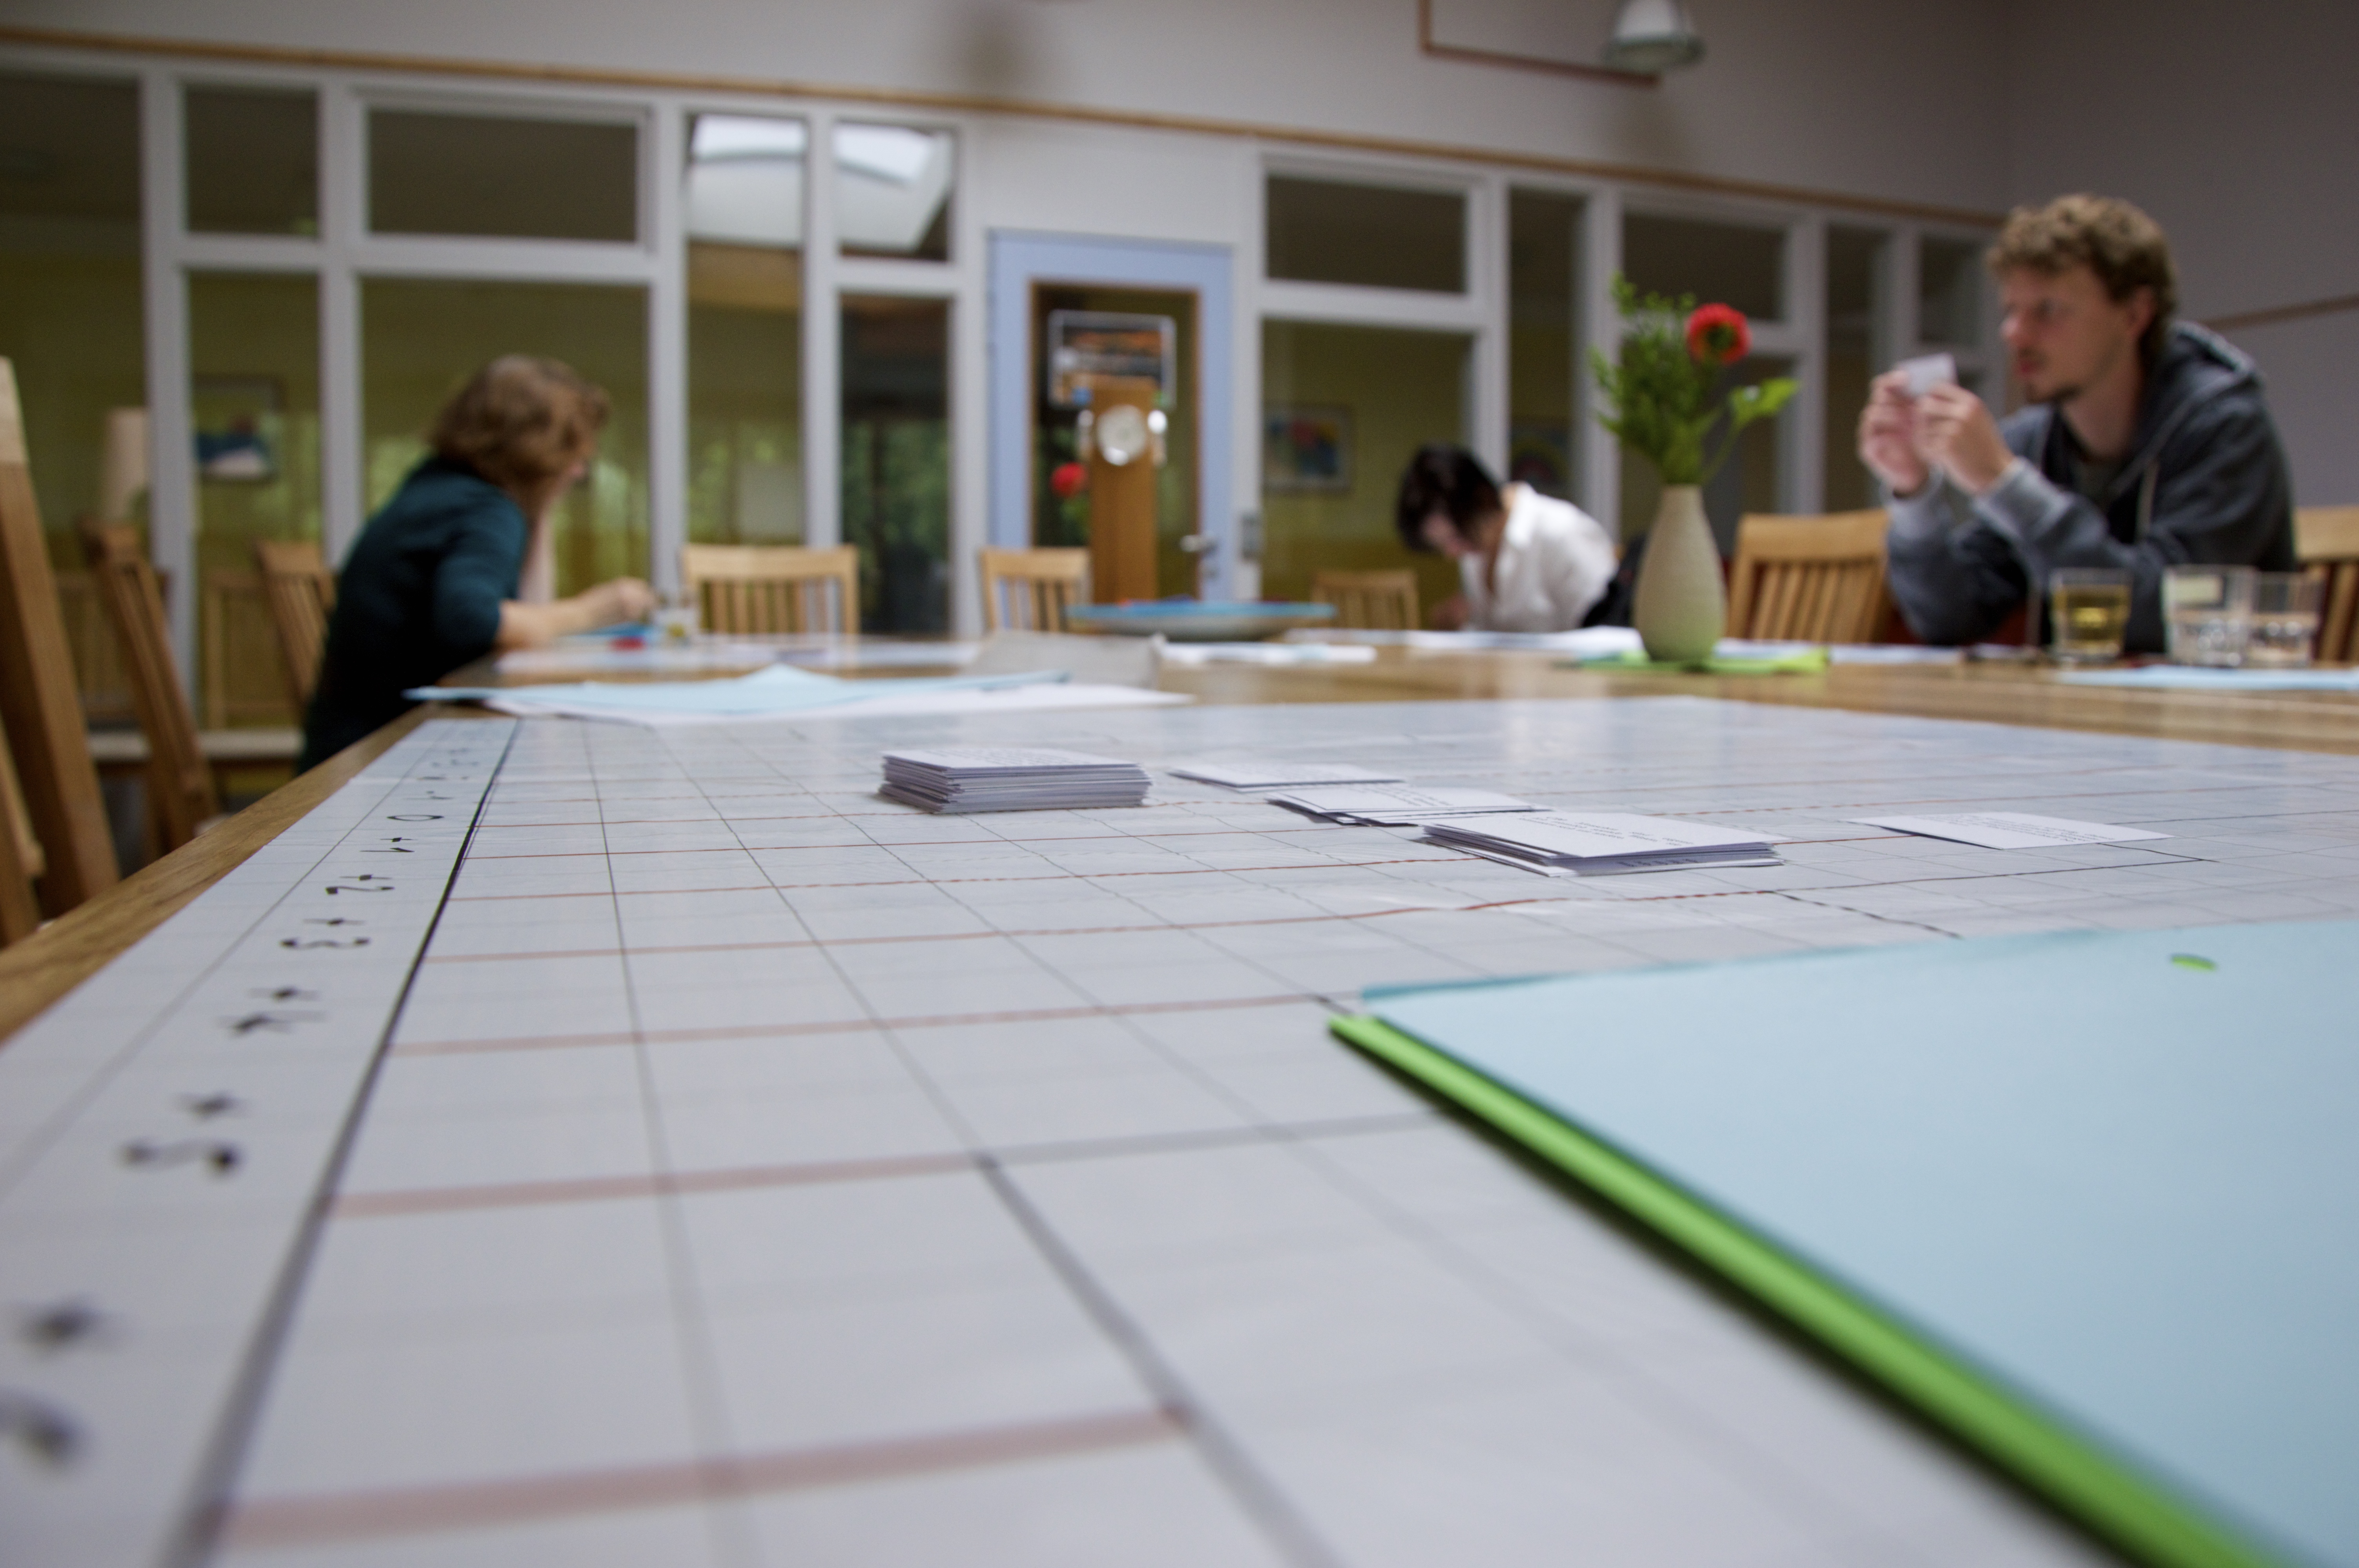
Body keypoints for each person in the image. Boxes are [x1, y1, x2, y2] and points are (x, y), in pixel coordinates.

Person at [1861, 194, 2294, 652]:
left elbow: (2161, 618)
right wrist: (1912, 492)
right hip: (2081, 713)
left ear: (2133, 315)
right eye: (2010, 311)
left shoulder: (2225, 427)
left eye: (2047, 309)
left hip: (2212, 717)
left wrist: (2004, 485)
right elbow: (1951, 618)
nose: (2014, 333)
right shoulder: (2034, 440)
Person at [301, 356, 655, 768]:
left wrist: (540, 509)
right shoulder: (482, 508)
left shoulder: (436, 488)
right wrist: (595, 610)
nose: (577, 471)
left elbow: (527, 616)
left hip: (347, 749)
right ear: (536, 451)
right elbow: (473, 621)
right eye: (570, 453)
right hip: (380, 759)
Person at [1396, 445, 1618, 632]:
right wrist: (1460, 625)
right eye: (1442, 546)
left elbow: (1608, 631)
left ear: (1482, 499)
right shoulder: (1477, 554)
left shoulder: (1560, 531)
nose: (1453, 553)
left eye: (1457, 537)